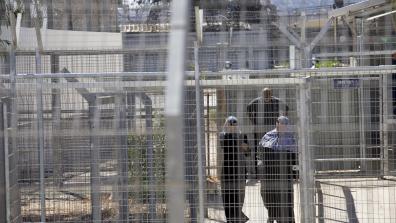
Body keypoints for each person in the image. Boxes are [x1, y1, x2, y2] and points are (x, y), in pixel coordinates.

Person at [257, 116, 297, 223]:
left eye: (285, 123)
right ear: (276, 123)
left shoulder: (290, 138)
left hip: (285, 173)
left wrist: (295, 172)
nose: (283, 125)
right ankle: (272, 216)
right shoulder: (268, 135)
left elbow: (295, 157)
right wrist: (260, 167)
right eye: (281, 123)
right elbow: (260, 153)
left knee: (286, 199)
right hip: (269, 173)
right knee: (268, 196)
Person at [247, 88, 289, 176]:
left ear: (271, 95)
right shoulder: (257, 102)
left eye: (268, 95)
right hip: (260, 131)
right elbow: (248, 109)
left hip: (273, 131)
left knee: (274, 149)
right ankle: (257, 173)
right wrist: (253, 121)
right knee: (258, 150)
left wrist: (281, 121)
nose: (266, 97)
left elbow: (286, 108)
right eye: (265, 95)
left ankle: (274, 171)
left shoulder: (276, 101)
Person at [219, 116, 250, 223]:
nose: (233, 125)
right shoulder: (223, 135)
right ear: (226, 124)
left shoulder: (242, 135)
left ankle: (238, 217)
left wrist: (245, 147)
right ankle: (231, 219)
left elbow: (248, 152)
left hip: (240, 170)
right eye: (230, 123)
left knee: (239, 197)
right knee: (227, 197)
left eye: (234, 123)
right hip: (227, 171)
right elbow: (224, 145)